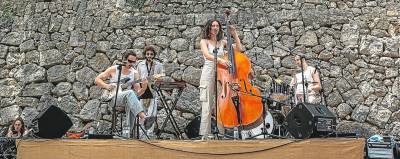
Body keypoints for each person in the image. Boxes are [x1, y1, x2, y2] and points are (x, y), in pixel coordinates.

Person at [95, 50, 156, 137]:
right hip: (113, 98)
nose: (131, 64)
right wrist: (106, 86)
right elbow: (97, 79)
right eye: (130, 61)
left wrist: (144, 87)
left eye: (134, 62)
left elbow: (138, 93)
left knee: (132, 98)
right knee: (131, 94)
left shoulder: (134, 73)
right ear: (124, 59)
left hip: (127, 98)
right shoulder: (114, 69)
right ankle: (144, 118)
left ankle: (127, 134)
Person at [198, 19, 242, 139]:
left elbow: (239, 49)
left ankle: (220, 134)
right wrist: (222, 60)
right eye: (213, 26)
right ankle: (205, 134)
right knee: (207, 103)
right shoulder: (204, 41)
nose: (215, 28)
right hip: (208, 72)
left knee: (221, 104)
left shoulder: (222, 42)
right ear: (209, 28)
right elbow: (207, 55)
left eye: (217, 26)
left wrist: (234, 34)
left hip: (222, 74)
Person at [136, 46, 165, 137]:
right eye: (148, 54)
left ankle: (149, 133)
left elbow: (163, 76)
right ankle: (142, 132)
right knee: (142, 111)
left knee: (152, 112)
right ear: (145, 54)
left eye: (151, 54)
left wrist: (157, 78)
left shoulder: (158, 65)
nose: (149, 55)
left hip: (153, 90)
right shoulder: (140, 64)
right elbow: (137, 76)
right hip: (143, 89)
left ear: (154, 55)